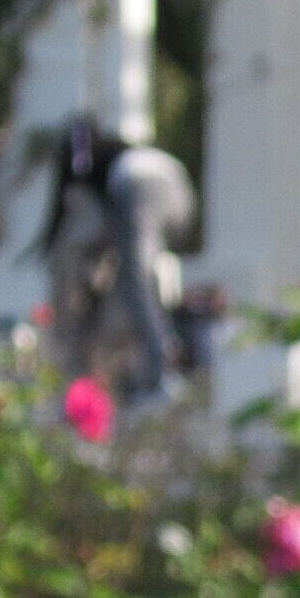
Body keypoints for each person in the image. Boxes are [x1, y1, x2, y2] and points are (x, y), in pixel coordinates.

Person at [40, 118, 196, 397]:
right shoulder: (114, 153)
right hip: (181, 192)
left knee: (136, 276)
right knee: (145, 275)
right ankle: (161, 361)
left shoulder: (86, 170)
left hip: (142, 187)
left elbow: (81, 238)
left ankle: (165, 366)